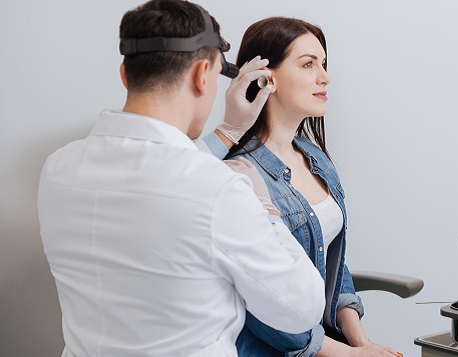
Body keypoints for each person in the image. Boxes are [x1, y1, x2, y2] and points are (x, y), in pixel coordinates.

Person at [37, 2, 325, 356]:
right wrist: (266, 209)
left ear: (125, 74)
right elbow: (301, 308)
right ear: (203, 75)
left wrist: (227, 133)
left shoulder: (58, 170)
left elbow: (161, 178)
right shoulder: (220, 189)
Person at [200, 17, 401, 357]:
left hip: (329, 344)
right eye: (308, 64)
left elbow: (331, 263)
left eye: (323, 64)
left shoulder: (314, 158)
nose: (325, 77)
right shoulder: (239, 175)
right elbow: (264, 308)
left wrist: (361, 342)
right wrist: (348, 354)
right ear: (267, 79)